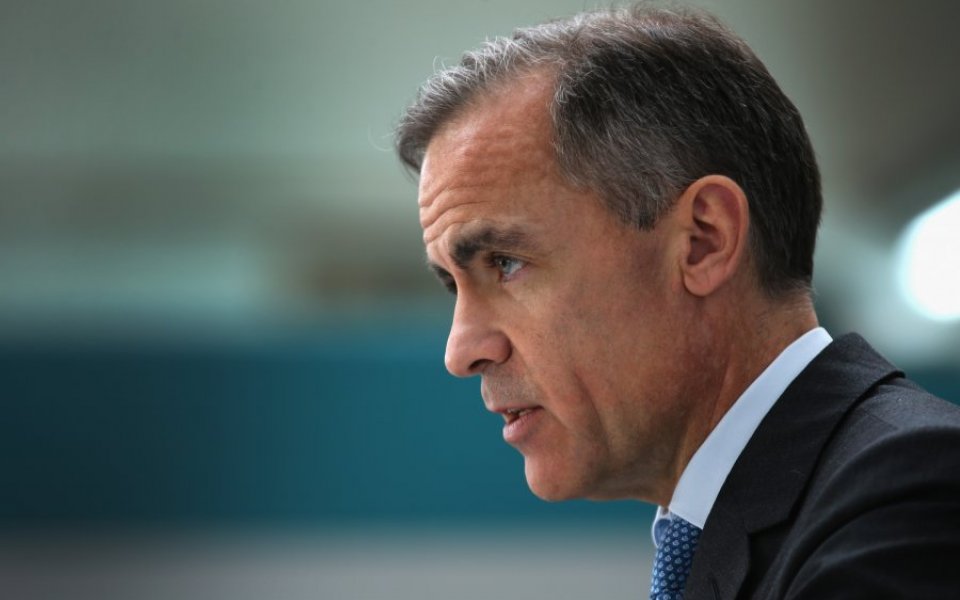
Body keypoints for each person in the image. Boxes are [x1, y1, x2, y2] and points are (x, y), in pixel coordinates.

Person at [395, 3, 960, 599]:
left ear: (703, 241)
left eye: (505, 263)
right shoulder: (747, 529)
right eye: (453, 284)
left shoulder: (909, 500)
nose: (461, 352)